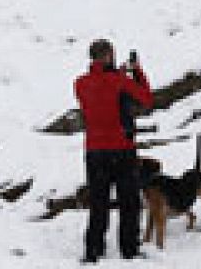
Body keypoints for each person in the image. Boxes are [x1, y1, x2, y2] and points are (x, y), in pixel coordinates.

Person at [74, 39, 154, 263]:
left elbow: (101, 93)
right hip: (122, 150)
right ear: (109, 55)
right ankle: (129, 250)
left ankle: (93, 251)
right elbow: (146, 98)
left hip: (94, 151)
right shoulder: (120, 80)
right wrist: (135, 71)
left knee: (98, 204)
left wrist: (115, 75)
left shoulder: (80, 83)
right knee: (129, 202)